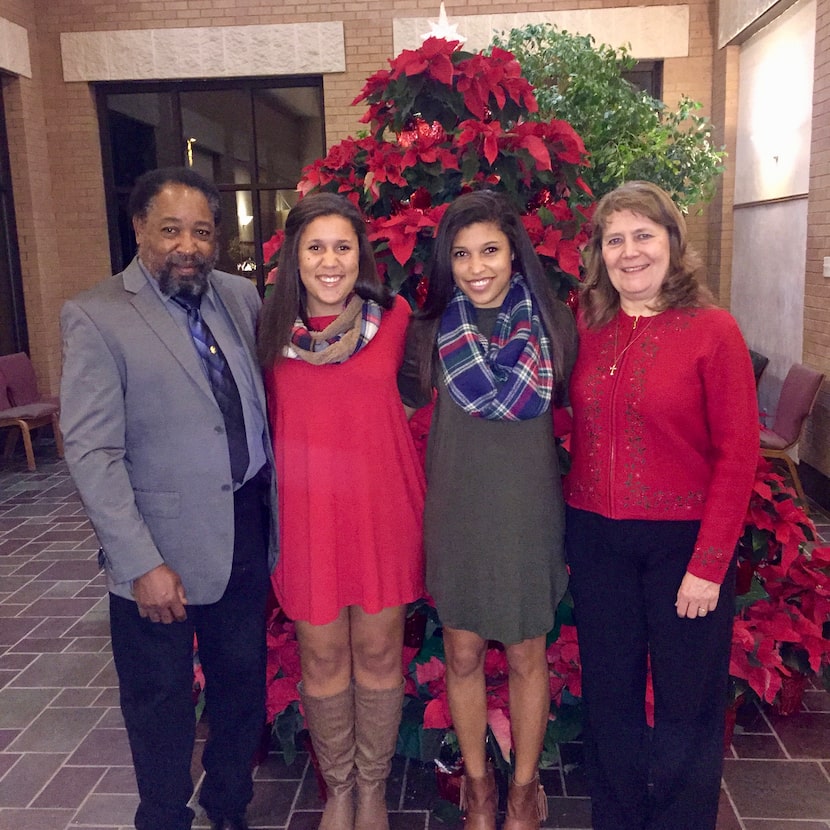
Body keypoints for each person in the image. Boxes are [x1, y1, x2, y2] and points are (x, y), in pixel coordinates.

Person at [60, 167, 278, 830]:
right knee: (159, 703)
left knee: (241, 688)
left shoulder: (241, 299)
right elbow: (93, 453)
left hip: (243, 528)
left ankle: (229, 805)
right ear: (138, 230)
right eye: (171, 230)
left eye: (203, 232)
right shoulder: (96, 316)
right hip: (159, 551)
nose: (188, 246)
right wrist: (139, 563)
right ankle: (163, 816)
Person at [564, 180, 759, 830]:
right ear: (599, 253)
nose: (629, 251)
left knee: (687, 705)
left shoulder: (712, 331)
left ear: (672, 243)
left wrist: (709, 564)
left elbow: (739, 453)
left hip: (684, 547)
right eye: (614, 239)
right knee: (610, 700)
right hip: (598, 542)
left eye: (643, 235)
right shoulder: (586, 327)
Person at [397, 190, 578, 830]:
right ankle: (477, 787)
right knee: (464, 655)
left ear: (514, 254)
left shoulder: (555, 328)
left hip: (528, 516)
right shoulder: (426, 335)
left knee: (530, 657)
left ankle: (524, 791)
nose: (477, 267)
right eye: (463, 254)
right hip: (458, 516)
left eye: (491, 251)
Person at [257, 192, 425, 830]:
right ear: (294, 256)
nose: (330, 261)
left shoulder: (396, 321)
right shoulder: (269, 332)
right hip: (306, 522)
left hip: (381, 515)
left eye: (343, 246)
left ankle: (373, 790)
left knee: (380, 656)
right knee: (323, 657)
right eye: (316, 246)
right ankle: (339, 790)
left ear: (363, 256)